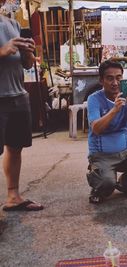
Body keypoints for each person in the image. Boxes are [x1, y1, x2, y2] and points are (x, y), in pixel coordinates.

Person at [86, 60, 127, 204]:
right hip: (101, 155)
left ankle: (123, 181)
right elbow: (96, 128)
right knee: (107, 184)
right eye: (110, 78)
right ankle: (98, 185)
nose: (115, 82)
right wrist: (115, 110)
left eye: (118, 77)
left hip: (126, 152)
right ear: (101, 80)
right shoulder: (94, 99)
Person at [0, 2, 44, 212]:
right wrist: (3, 51)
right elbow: (6, 52)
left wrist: (28, 53)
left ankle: (13, 196)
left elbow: (25, 65)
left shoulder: (13, 24)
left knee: (15, 147)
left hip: (17, 94)